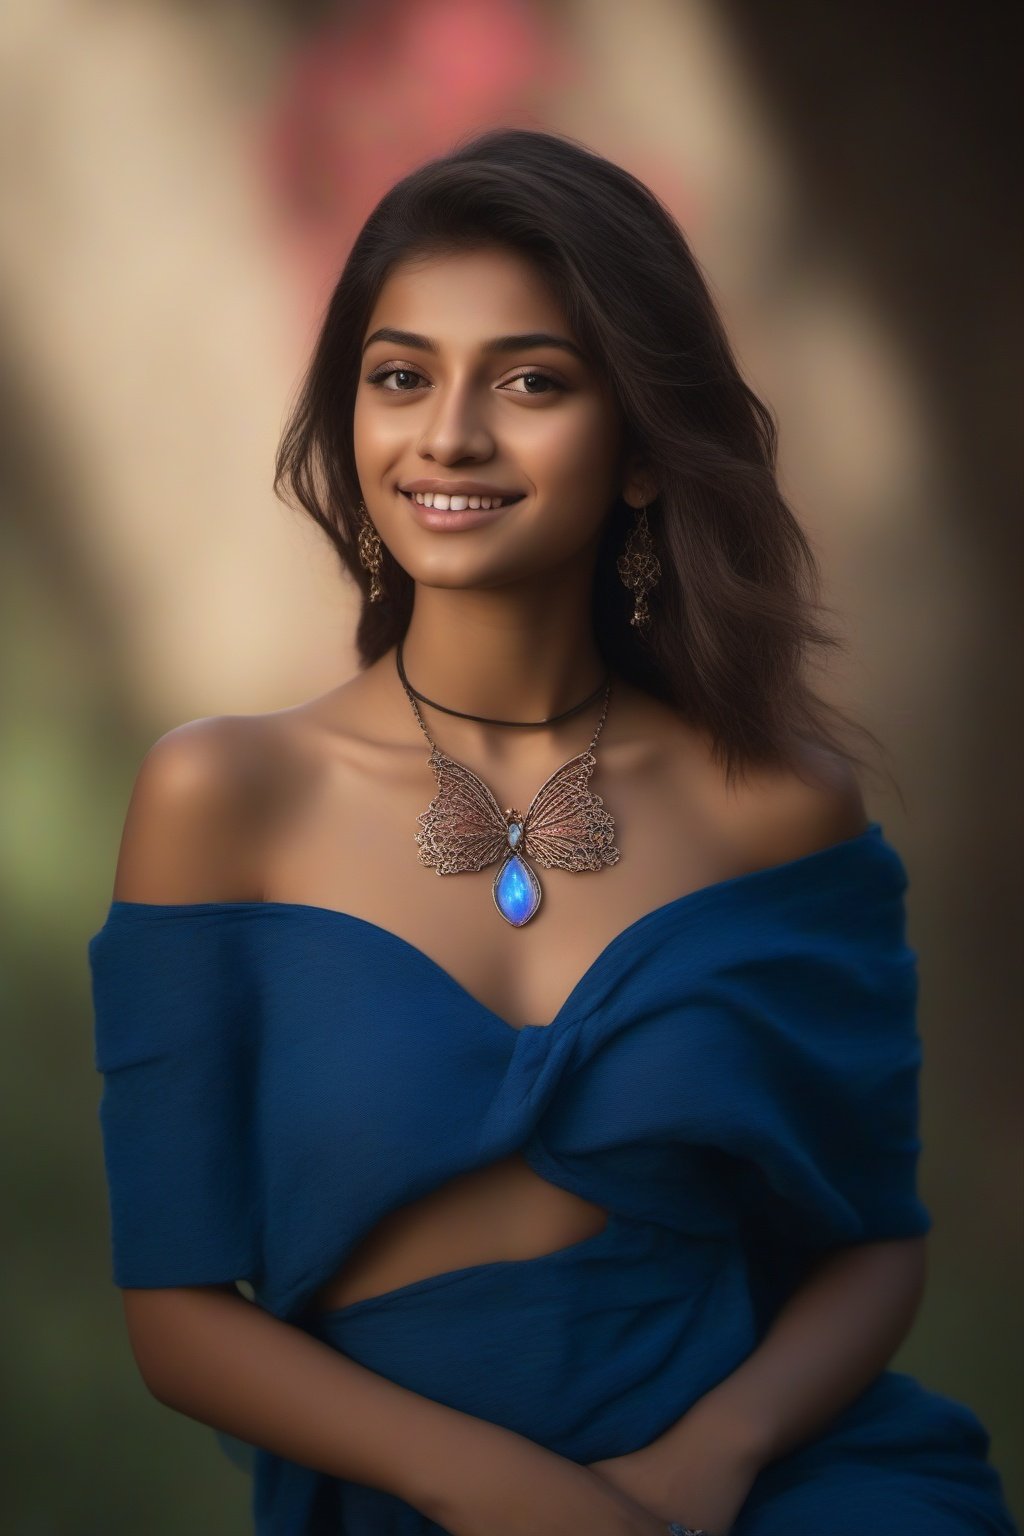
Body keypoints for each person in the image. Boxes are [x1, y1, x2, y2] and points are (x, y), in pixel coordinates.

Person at [88, 128, 1018, 1536]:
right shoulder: (222, 799)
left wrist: (709, 1463)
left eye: (531, 381)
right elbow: (175, 1317)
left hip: (761, 1493)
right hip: (413, 1501)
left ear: (642, 447)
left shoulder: (779, 807)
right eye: (401, 376)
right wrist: (507, 1497)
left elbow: (874, 1247)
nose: (450, 434)